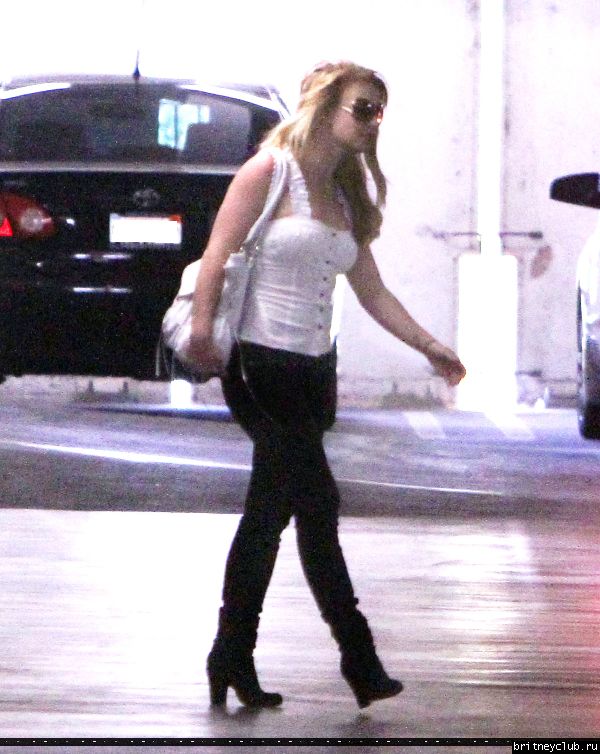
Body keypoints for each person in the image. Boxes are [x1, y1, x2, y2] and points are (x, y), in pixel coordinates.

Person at [185, 60, 466, 709]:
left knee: (272, 514)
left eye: (379, 112)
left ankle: (232, 655)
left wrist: (430, 346)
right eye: (362, 108)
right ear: (324, 106)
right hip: (259, 364)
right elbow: (217, 253)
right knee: (316, 504)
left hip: (314, 372)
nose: (372, 122)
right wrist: (202, 331)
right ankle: (358, 659)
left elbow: (372, 291)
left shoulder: (343, 196)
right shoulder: (269, 171)